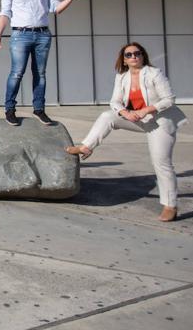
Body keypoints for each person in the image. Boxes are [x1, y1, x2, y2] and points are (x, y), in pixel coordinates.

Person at [65, 42, 186, 222]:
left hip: (159, 122)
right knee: (108, 116)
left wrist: (146, 110)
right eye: (128, 55)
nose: (133, 57)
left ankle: (170, 205)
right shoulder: (122, 76)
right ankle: (86, 147)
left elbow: (169, 99)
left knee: (161, 163)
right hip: (136, 119)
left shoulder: (154, 73)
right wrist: (124, 113)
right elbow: (114, 101)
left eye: (137, 53)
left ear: (143, 56)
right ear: (124, 59)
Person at [0, 0, 91, 126]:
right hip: (20, 35)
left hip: (42, 35)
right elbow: (5, 13)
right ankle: (9, 109)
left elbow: (56, 8)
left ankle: (39, 109)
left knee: (40, 73)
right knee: (17, 73)